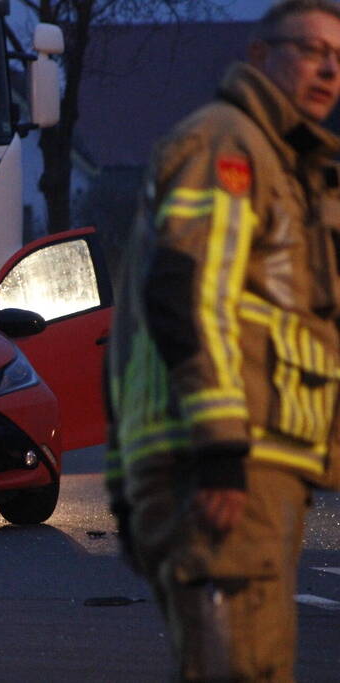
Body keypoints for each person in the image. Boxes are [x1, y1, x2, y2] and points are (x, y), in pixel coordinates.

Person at [105, 2, 340, 679]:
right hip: (216, 462)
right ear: (260, 56)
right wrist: (219, 450)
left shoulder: (289, 165)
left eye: (339, 57)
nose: (327, 68)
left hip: (259, 464)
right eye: (310, 48)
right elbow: (187, 287)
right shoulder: (228, 142)